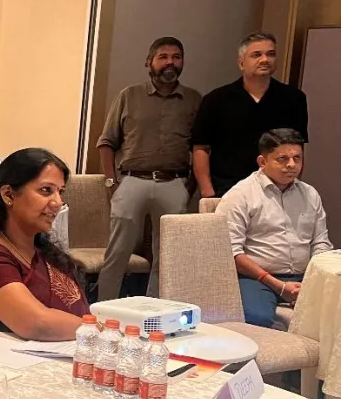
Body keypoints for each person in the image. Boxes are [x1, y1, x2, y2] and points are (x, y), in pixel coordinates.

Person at [95, 36, 202, 301]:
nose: (170, 62)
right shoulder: (129, 96)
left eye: (176, 57)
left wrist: (190, 186)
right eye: (163, 57)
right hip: (132, 181)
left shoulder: (193, 100)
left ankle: (155, 311)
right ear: (149, 62)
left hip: (174, 182)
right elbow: (106, 142)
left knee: (167, 255)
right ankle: (103, 308)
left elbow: (201, 146)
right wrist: (111, 182)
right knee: (118, 251)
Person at [0, 148, 90, 339]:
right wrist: (101, 330)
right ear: (9, 195)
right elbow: (37, 324)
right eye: (46, 190)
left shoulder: (41, 250)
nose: (58, 202)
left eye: (60, 192)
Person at [218, 129, 331, 328]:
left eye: (297, 158)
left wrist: (313, 282)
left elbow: (320, 243)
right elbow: (231, 253)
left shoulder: (310, 194)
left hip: (305, 276)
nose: (292, 165)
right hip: (257, 278)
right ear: (262, 162)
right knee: (257, 318)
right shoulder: (240, 195)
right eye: (283, 159)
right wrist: (279, 286)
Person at [192, 31, 309, 198]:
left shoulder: (294, 98)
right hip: (227, 187)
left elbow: (298, 147)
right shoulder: (216, 100)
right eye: (256, 55)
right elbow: (200, 148)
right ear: (241, 63)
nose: (265, 60)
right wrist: (207, 190)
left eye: (271, 54)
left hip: (277, 187)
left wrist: (292, 185)